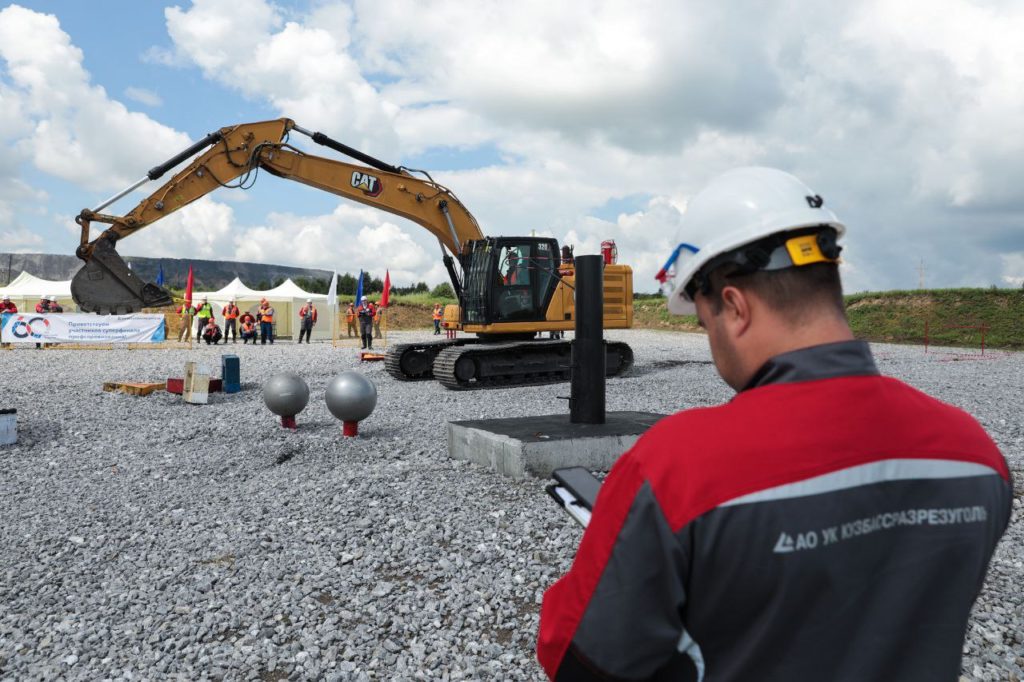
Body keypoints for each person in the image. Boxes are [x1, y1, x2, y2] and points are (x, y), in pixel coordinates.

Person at [536, 168, 1012, 682]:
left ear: (734, 307)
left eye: (704, 324)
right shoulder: (974, 453)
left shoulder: (676, 468)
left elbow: (575, 659)